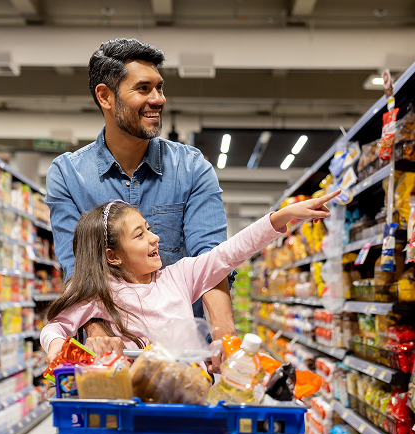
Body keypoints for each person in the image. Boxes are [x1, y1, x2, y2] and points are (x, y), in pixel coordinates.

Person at [45, 38, 235, 369]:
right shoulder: (68, 175)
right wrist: (97, 331)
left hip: (184, 358)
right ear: (105, 96)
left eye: (159, 88)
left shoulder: (191, 169)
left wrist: (224, 335)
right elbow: (78, 270)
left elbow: (211, 261)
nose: (158, 100)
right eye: (144, 89)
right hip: (111, 361)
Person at [41, 191, 340, 367]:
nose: (154, 238)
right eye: (140, 234)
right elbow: (56, 327)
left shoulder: (180, 275)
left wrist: (281, 217)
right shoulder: (102, 293)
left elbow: (228, 253)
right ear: (112, 256)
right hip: (134, 403)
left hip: (187, 397)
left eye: (148, 228)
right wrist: (56, 346)